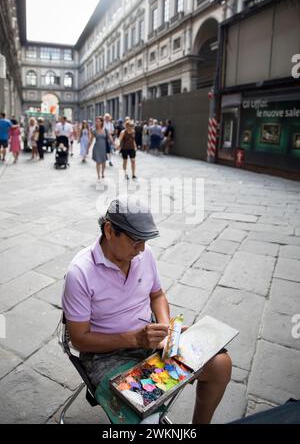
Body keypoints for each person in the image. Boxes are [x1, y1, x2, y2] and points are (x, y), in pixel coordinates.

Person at [62, 197, 232, 424]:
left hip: (150, 339)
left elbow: (157, 295)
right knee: (146, 417)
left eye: (144, 241)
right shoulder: (80, 272)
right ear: (110, 231)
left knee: (220, 365)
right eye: (135, 241)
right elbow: (79, 340)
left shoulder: (144, 254)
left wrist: (166, 329)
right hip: (105, 356)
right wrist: (134, 339)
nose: (141, 249)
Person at [88, 116, 114, 180]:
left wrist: (114, 144)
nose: (97, 122)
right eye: (96, 121)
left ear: (102, 122)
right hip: (97, 148)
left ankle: (102, 172)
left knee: (104, 163)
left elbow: (110, 137)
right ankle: (98, 175)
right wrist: (87, 149)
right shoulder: (94, 131)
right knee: (98, 162)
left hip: (104, 148)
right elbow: (91, 140)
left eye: (98, 121)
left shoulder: (105, 130)